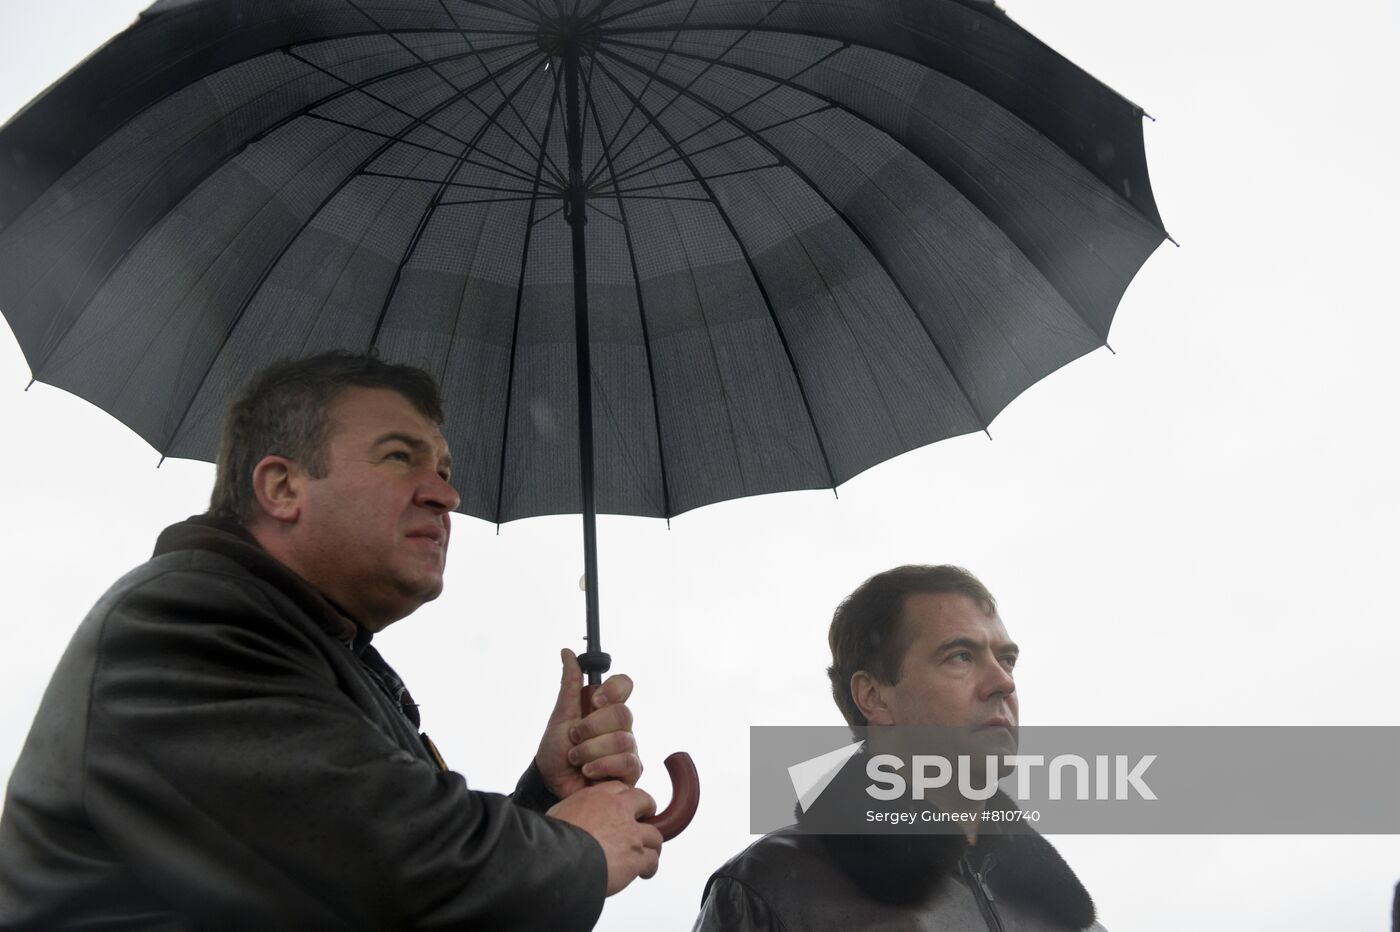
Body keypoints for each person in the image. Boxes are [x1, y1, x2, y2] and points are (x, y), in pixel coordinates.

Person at [0, 352, 661, 929]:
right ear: (283, 487)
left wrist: (548, 795)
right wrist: (576, 850)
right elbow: (388, 869)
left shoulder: (313, 651)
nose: (446, 494)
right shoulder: (182, 625)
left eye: (445, 467)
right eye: (401, 457)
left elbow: (363, 874)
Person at [694, 564, 1105, 931]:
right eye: (961, 657)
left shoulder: (1065, 917)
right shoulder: (766, 891)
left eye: (1007, 660)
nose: (1003, 683)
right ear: (873, 696)